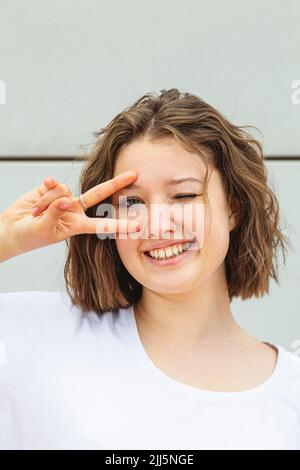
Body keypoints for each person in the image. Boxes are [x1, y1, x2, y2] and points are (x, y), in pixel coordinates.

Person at [0, 88, 299, 450]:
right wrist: (7, 239)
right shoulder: (36, 337)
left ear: (233, 209)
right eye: (133, 203)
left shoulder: (290, 394)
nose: (157, 225)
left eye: (184, 195)